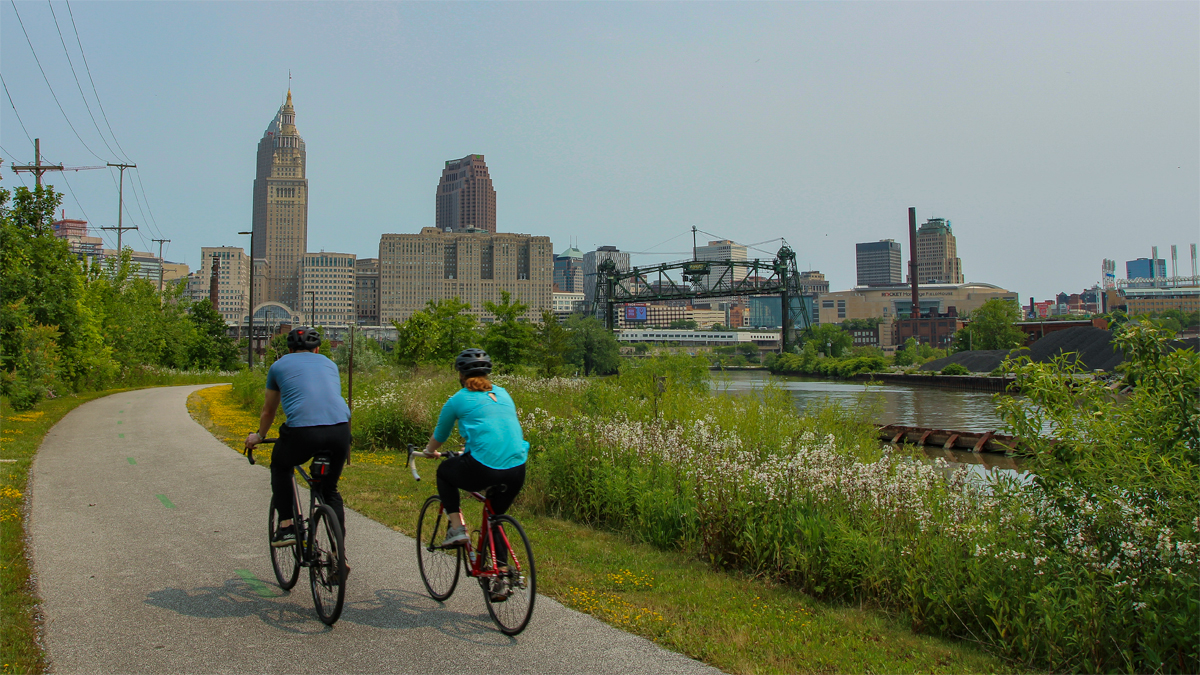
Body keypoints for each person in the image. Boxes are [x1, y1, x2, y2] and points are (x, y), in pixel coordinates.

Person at [423, 348, 529, 599]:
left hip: (485, 467)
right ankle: (502, 575)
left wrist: (429, 452)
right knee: (496, 515)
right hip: (517, 467)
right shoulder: (503, 394)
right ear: (488, 373)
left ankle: (457, 529)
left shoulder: (458, 399)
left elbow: (440, 436)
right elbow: (497, 431)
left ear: (460, 375)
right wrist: (470, 449)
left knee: (444, 473)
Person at [245, 327, 351, 550]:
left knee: (281, 465)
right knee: (329, 490)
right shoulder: (329, 364)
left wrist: (259, 436)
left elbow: (268, 412)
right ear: (318, 349)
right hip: (340, 430)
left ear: (289, 349)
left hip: (303, 432)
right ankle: (339, 554)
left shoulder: (278, 365)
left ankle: (286, 525)